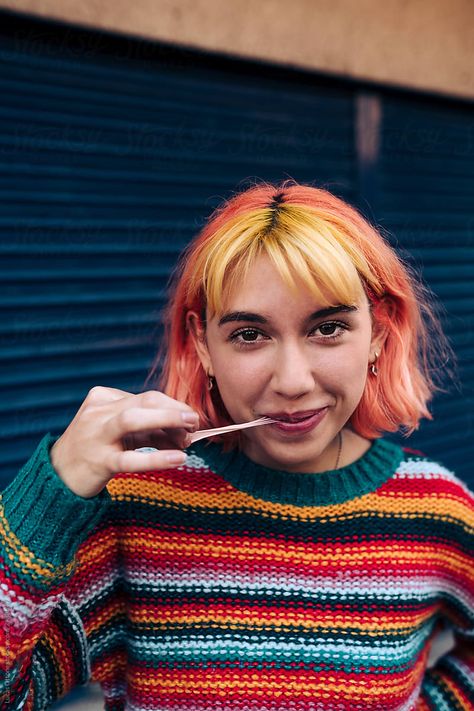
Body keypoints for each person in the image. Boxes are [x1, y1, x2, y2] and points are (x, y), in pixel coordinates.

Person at [0, 179, 472, 710]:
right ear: (203, 344)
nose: (292, 381)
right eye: (250, 335)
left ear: (379, 335)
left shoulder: (436, 508)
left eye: (329, 327)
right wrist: (50, 490)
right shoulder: (142, 507)